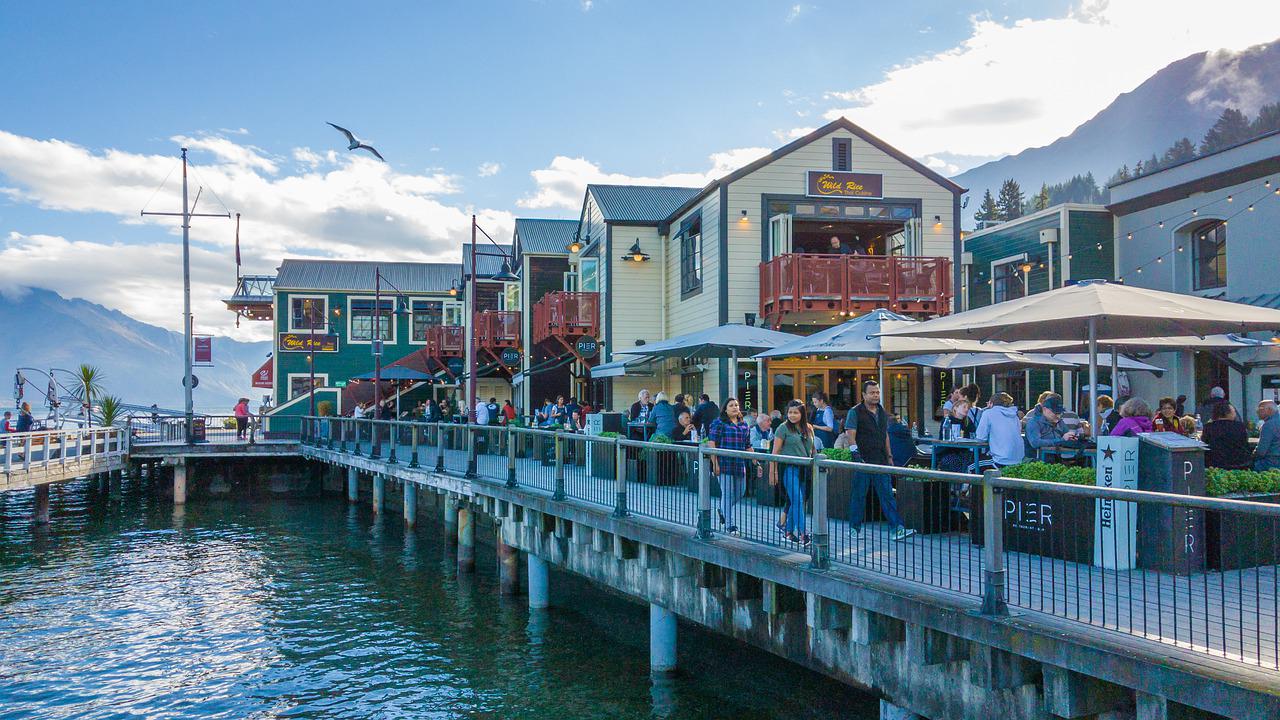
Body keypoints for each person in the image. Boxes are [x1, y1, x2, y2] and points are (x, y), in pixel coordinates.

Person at [845, 381, 914, 541]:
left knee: (887, 494)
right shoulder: (855, 412)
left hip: (880, 459)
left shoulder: (882, 412)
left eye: (877, 392)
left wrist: (889, 456)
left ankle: (897, 528)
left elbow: (885, 435)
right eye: (872, 393)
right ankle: (854, 528)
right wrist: (855, 454)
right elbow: (850, 434)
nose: (875, 395)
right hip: (863, 459)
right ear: (864, 395)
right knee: (859, 495)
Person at [768, 401, 814, 545]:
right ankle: (803, 534)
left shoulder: (808, 428)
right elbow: (775, 452)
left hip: (805, 469)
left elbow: (812, 450)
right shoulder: (783, 428)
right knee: (797, 500)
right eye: (790, 412)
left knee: (798, 501)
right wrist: (773, 472)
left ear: (802, 413)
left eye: (796, 412)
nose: (792, 415)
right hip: (789, 468)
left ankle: (788, 532)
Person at [707, 398, 750, 536]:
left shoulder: (744, 425)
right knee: (727, 493)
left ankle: (722, 510)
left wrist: (757, 462)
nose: (735, 407)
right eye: (731, 405)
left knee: (740, 492)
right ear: (725, 409)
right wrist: (715, 463)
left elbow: (748, 445)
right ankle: (729, 525)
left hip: (739, 463)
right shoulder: (719, 423)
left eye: (736, 405)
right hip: (724, 462)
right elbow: (712, 443)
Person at [973, 392, 1024, 471]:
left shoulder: (988, 413)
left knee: (969, 466)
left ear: (991, 403)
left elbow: (980, 437)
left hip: (999, 460)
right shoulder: (1014, 416)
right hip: (1018, 460)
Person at [1024, 393, 1081, 460]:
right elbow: (1035, 443)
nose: (1058, 415)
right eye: (1055, 412)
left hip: (1056, 460)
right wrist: (1061, 440)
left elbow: (1066, 435)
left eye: (1059, 413)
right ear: (1045, 409)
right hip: (1036, 462)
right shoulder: (1033, 422)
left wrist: (1071, 438)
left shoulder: (1059, 422)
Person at [1203, 402, 1251, 470]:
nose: (1235, 414)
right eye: (1234, 412)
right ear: (1227, 413)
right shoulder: (1240, 427)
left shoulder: (1208, 427)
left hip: (1215, 464)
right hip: (1240, 463)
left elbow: (1205, 445)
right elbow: (1245, 443)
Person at [936, 399, 976, 473]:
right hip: (947, 450)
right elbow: (944, 437)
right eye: (964, 407)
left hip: (963, 451)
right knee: (953, 461)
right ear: (955, 408)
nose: (967, 409)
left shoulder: (967, 420)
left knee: (973, 461)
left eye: (968, 408)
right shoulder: (948, 420)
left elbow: (973, 434)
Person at [1253, 400, 1280, 471]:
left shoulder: (1269, 425)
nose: (1257, 411)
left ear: (1269, 410)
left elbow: (1261, 451)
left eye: (1260, 409)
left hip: (1271, 462)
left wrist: (1252, 457)